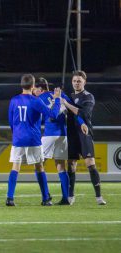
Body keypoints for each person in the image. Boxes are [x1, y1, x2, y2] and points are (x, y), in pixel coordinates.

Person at [6, 74, 61, 206]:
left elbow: (10, 121)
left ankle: (10, 198)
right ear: (32, 86)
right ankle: (45, 198)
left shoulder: (14, 100)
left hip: (18, 138)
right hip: (33, 139)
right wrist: (57, 100)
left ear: (21, 84)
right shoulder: (35, 100)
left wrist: (16, 134)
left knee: (15, 167)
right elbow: (53, 114)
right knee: (39, 167)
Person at [33, 77, 86, 205]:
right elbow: (74, 111)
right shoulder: (61, 95)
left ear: (40, 89)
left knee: (38, 165)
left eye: (35, 89)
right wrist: (82, 123)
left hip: (49, 135)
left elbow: (36, 119)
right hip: (63, 135)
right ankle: (66, 198)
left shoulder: (39, 98)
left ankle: (46, 196)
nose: (33, 91)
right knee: (61, 166)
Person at [63, 70, 107, 205]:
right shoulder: (69, 96)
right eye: (75, 81)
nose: (76, 83)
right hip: (71, 134)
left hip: (84, 134)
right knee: (71, 164)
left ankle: (99, 197)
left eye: (79, 81)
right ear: (72, 82)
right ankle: (70, 196)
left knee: (90, 163)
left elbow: (82, 113)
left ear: (84, 82)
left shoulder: (88, 97)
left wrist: (66, 104)